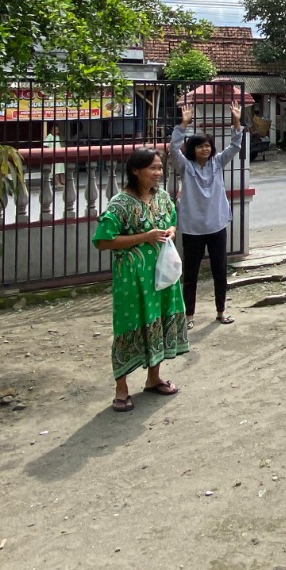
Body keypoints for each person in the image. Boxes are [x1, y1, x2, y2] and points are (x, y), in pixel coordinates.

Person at [92, 148, 187, 412]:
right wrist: (143, 237)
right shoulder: (120, 203)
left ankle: (153, 377)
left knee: (157, 319)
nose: (158, 173)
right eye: (153, 169)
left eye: (160, 168)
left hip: (161, 273)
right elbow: (102, 241)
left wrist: (170, 230)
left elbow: (172, 220)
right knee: (128, 326)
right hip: (132, 278)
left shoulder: (163, 197)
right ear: (135, 170)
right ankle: (121, 388)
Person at [170, 101, 244, 325]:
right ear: (192, 149)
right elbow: (173, 149)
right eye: (200, 146)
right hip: (193, 228)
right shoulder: (185, 167)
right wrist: (183, 125)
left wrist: (237, 121)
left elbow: (235, 146)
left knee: (219, 271)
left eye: (207, 145)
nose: (205, 149)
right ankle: (189, 315)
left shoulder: (218, 163)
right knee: (190, 274)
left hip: (216, 226)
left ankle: (221, 311)